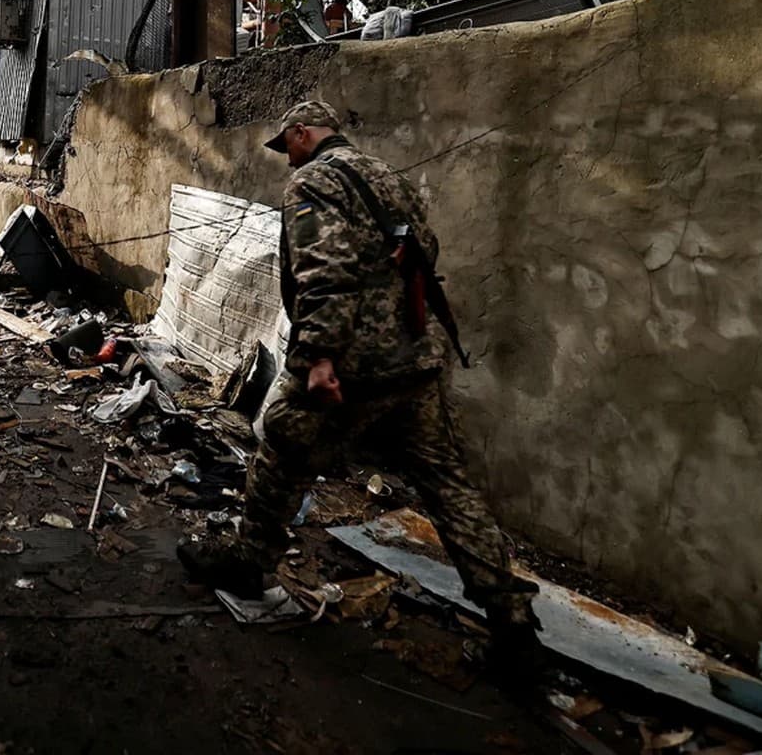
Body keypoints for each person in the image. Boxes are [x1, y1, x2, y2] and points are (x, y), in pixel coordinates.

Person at [178, 100, 542, 672]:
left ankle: (250, 564)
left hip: (354, 360)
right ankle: (514, 624)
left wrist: (320, 356)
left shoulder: (312, 182)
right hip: (415, 358)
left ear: (302, 133)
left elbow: (323, 268)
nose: (287, 158)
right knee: (448, 484)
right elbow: (423, 252)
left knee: (281, 450)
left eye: (287, 145)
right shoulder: (390, 178)